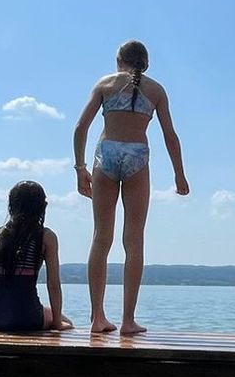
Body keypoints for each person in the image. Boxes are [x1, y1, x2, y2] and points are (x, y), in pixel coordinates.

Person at [70, 40, 190, 336]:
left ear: (118, 61)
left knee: (101, 238)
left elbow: (80, 129)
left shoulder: (104, 84)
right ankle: (127, 320)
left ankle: (98, 318)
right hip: (137, 155)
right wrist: (180, 175)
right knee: (134, 240)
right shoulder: (156, 90)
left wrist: (80, 168)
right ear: (146, 64)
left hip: (106, 153)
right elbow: (170, 136)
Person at [0, 180, 73, 334]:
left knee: (48, 313)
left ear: (11, 206)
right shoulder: (46, 236)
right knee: (66, 321)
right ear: (43, 207)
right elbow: (53, 284)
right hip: (27, 317)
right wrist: (57, 323)